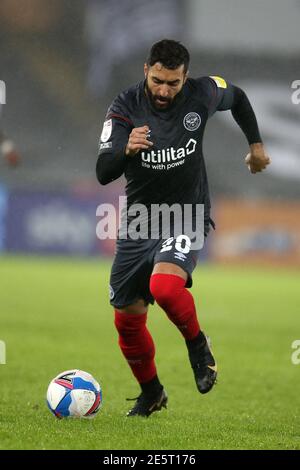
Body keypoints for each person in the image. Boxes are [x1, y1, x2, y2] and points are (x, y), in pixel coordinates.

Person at [96, 39, 270, 417]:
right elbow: (102, 172)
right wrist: (125, 150)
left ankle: (197, 345)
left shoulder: (203, 93)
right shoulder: (124, 107)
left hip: (187, 214)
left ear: (185, 77)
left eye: (173, 83)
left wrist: (255, 145)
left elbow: (237, 97)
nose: (163, 90)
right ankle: (151, 393)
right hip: (140, 221)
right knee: (126, 320)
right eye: (158, 80)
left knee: (164, 285)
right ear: (146, 70)